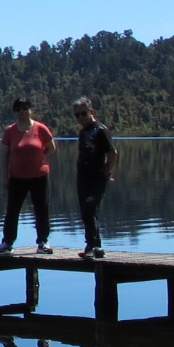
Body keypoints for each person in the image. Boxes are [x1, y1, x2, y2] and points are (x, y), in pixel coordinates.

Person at [0, 97, 56, 255]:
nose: (22, 111)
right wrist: (5, 177)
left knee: (41, 210)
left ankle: (43, 242)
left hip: (39, 177)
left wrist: (39, 157)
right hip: (17, 178)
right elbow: (4, 156)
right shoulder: (10, 131)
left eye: (25, 108)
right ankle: (7, 243)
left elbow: (51, 147)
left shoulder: (40, 128)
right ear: (15, 112)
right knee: (12, 211)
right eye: (18, 109)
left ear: (31, 110)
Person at [72, 97, 118, 260]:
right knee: (86, 213)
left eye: (84, 113)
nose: (81, 117)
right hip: (83, 177)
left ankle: (94, 245)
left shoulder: (100, 130)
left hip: (97, 177)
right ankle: (93, 245)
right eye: (77, 115)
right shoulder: (83, 131)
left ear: (92, 112)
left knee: (90, 208)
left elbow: (112, 152)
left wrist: (108, 172)